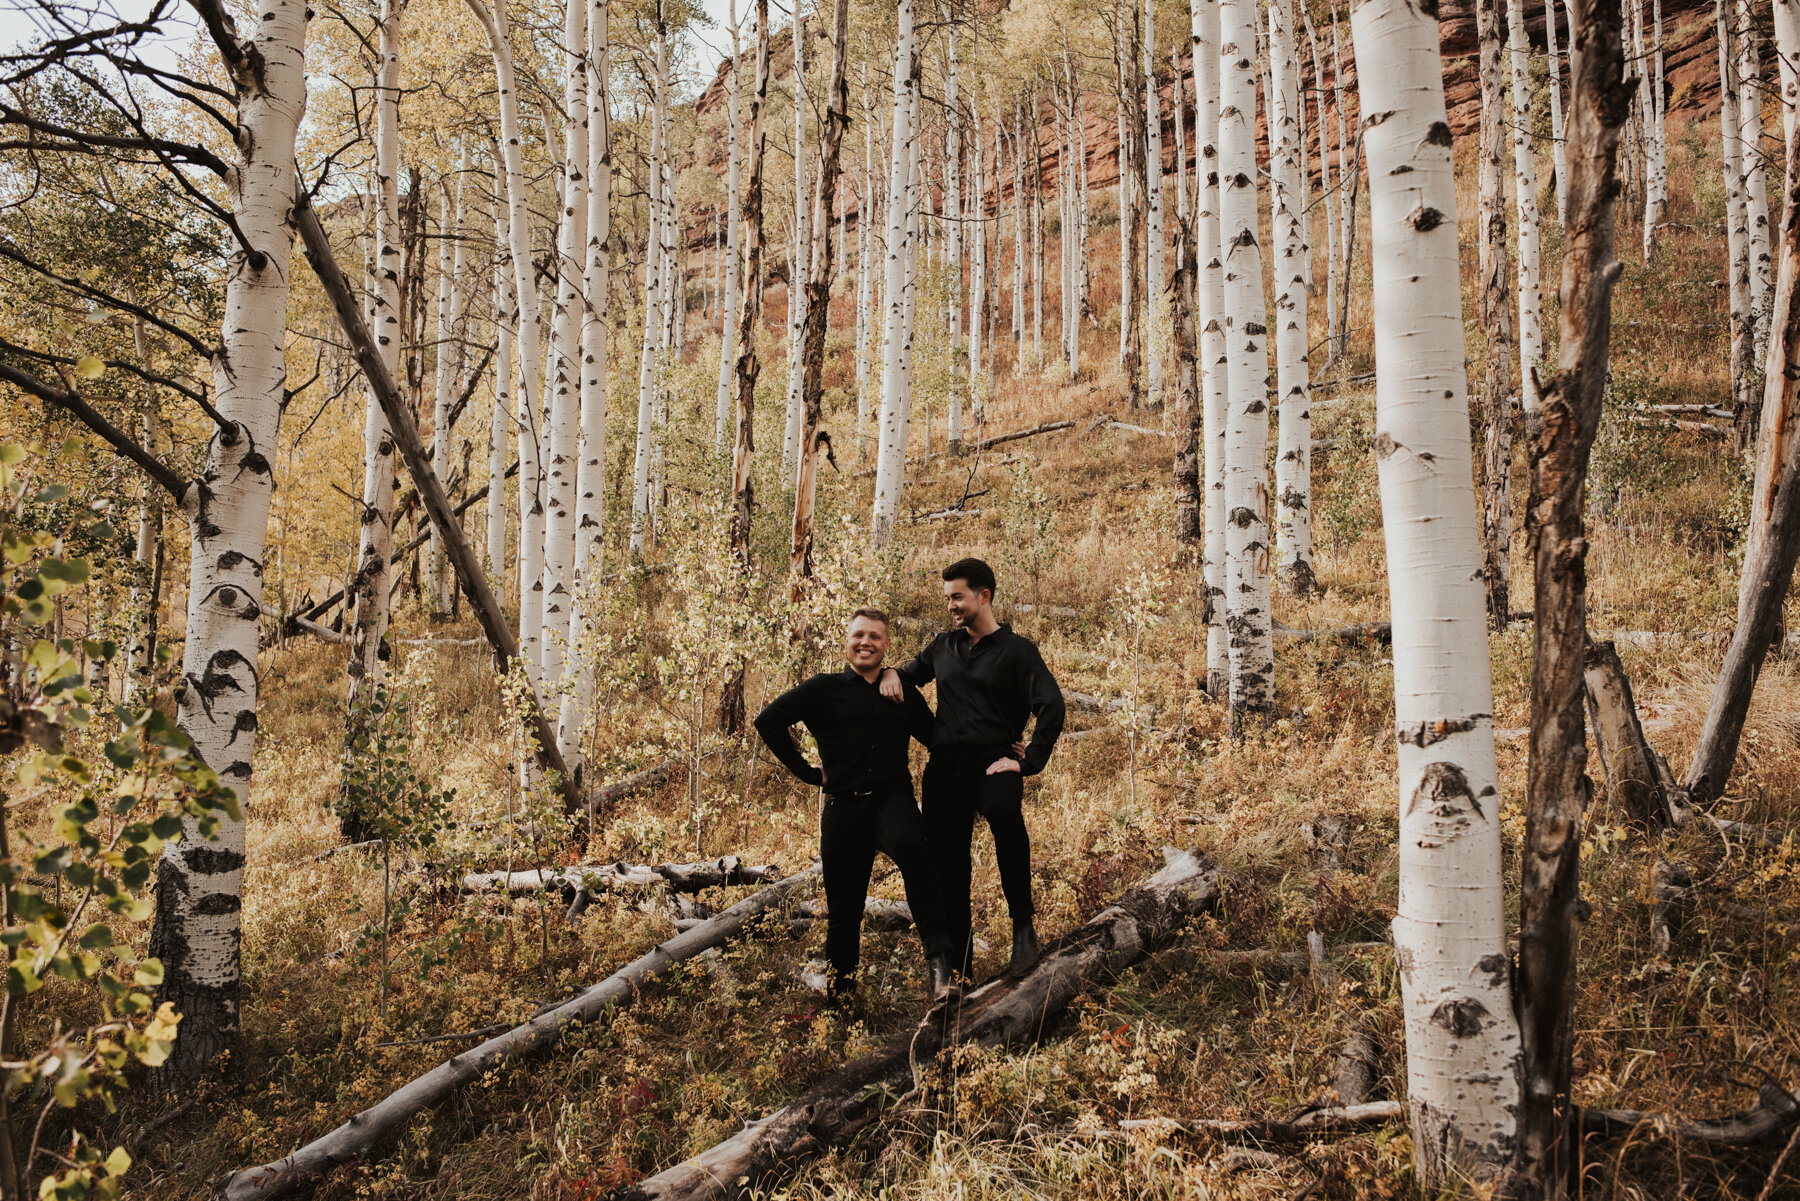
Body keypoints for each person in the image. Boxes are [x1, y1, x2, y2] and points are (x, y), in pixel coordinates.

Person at [754, 607, 958, 1007]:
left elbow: (938, 738)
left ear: (885, 646)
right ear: (847, 641)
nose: (866, 642)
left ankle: (941, 970)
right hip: (842, 809)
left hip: (892, 801)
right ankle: (842, 994)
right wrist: (809, 773)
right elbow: (769, 720)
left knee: (919, 858)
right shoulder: (822, 688)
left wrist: (996, 745)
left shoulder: (899, 690)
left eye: (875, 637)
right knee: (844, 906)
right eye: (858, 635)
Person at [879, 558, 1065, 978]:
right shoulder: (943, 646)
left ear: (984, 596)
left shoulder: (1019, 653)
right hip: (944, 770)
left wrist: (1028, 761)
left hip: (994, 765)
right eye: (947, 598)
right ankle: (959, 969)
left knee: (1004, 815)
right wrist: (891, 671)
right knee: (949, 865)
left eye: (957, 597)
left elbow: (1051, 705)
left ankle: (1023, 931)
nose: (951, 606)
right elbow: (908, 676)